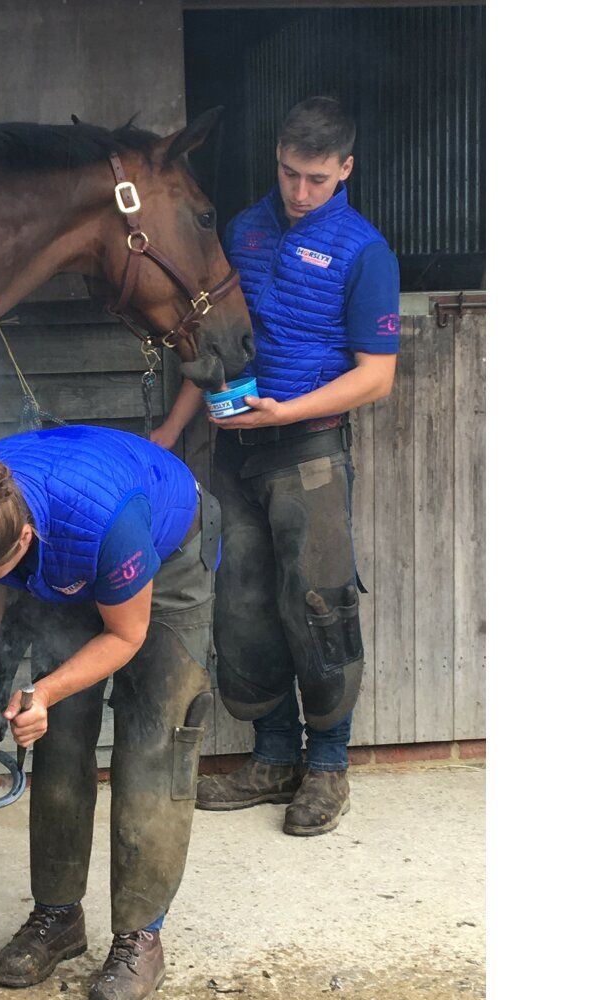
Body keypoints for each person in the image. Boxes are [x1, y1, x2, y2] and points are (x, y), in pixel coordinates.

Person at [151, 96, 399, 836]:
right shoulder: (244, 231)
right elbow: (217, 349)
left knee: (319, 602)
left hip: (309, 450)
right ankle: (272, 756)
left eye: (316, 179)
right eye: (289, 173)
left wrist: (287, 413)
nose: (298, 192)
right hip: (234, 452)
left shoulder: (364, 251)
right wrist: (168, 431)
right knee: (242, 601)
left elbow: (377, 376)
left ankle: (327, 766)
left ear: (345, 169)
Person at [0, 426, 219, 1000]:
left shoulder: (107, 523)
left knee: (152, 742)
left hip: (160, 552)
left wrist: (44, 689)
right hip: (68, 549)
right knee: (57, 740)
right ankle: (58, 916)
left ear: (24, 539)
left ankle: (140, 936)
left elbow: (126, 632)